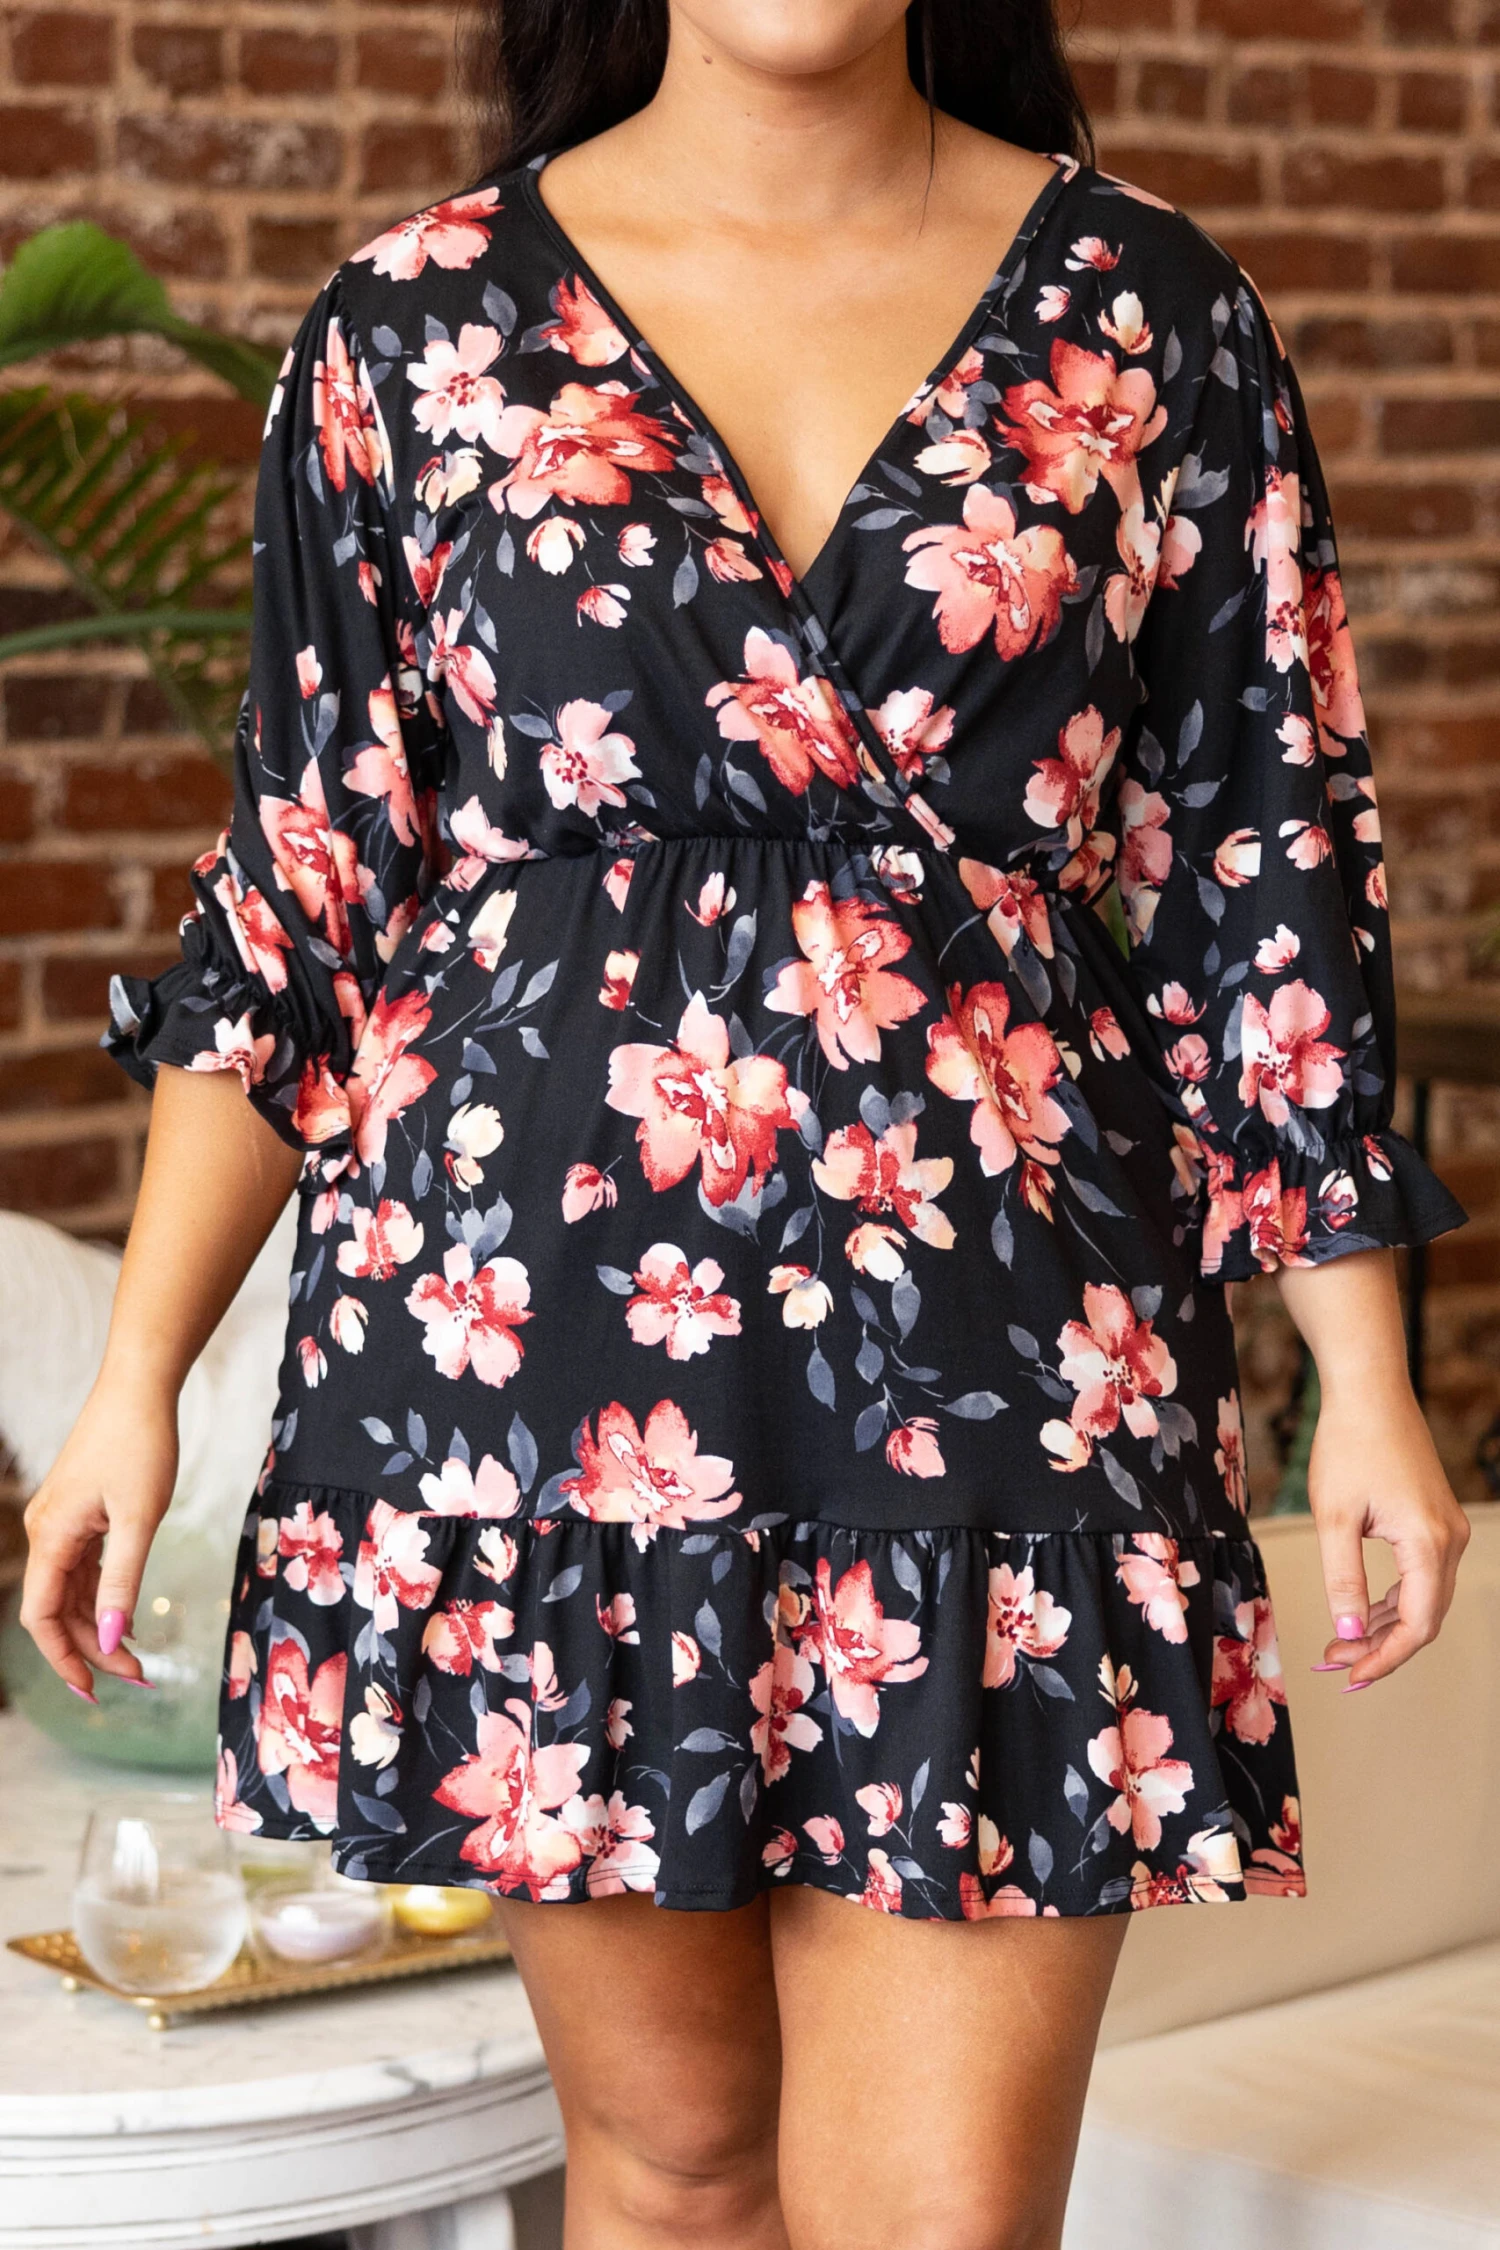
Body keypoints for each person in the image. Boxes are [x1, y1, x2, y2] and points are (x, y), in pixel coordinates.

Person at [20, 4, 1472, 2244]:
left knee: (942, 2216)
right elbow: (304, 897)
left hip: (1007, 1366)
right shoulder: (412, 323)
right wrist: (137, 1381)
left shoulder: (1148, 307)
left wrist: (1366, 1376)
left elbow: (1263, 859)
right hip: (528, 1383)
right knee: (675, 2168)